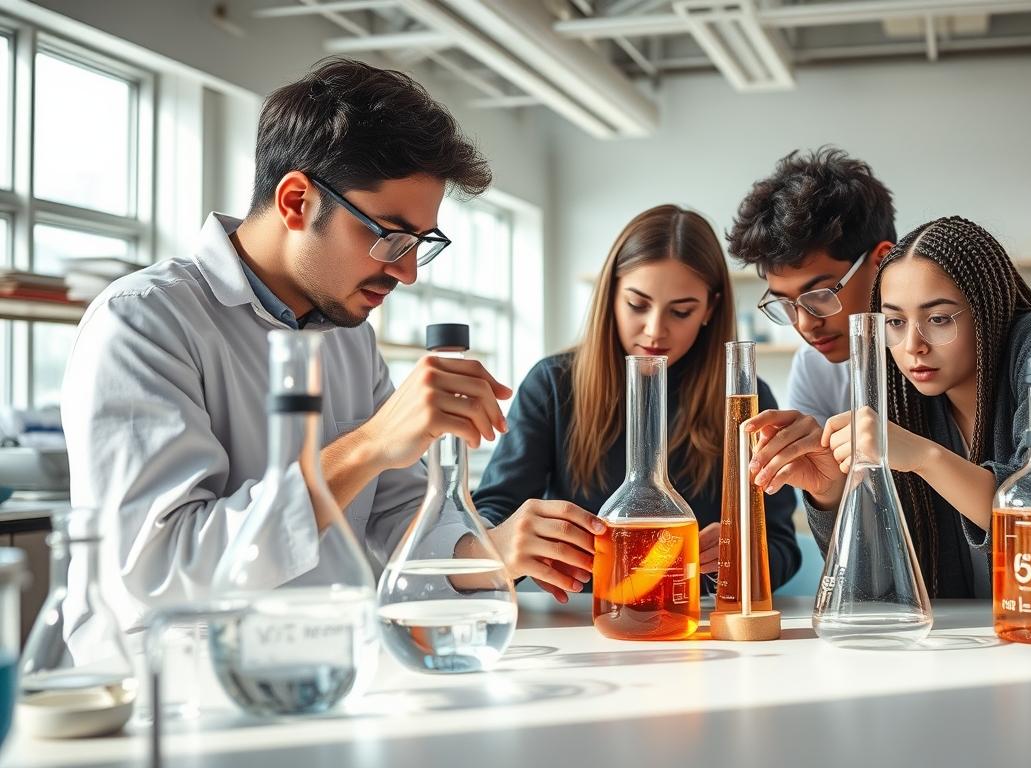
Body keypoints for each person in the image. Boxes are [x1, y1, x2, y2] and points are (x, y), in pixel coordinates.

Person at [62, 58, 511, 628]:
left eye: (421, 242)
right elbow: (159, 572)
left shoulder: (349, 338)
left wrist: (494, 551)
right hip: (175, 691)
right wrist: (369, 444)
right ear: (296, 200)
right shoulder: (143, 321)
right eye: (391, 237)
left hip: (322, 671)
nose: (407, 273)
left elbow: (397, 515)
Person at [752, 216, 1031, 600]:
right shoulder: (899, 390)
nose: (913, 345)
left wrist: (924, 457)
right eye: (895, 322)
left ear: (986, 311)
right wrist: (829, 493)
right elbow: (874, 588)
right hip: (982, 643)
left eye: (938, 319)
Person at [473, 205, 801, 603]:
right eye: (637, 304)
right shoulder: (554, 384)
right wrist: (509, 550)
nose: (655, 330)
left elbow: (782, 545)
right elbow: (494, 511)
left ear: (710, 310)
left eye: (681, 311)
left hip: (693, 624)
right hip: (582, 623)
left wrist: (735, 560)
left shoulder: (743, 401)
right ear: (611, 293)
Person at [724, 147, 895, 510]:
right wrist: (828, 491)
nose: (804, 324)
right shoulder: (813, 366)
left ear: (882, 262)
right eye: (786, 304)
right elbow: (846, 544)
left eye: (819, 295)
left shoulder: (942, 358)